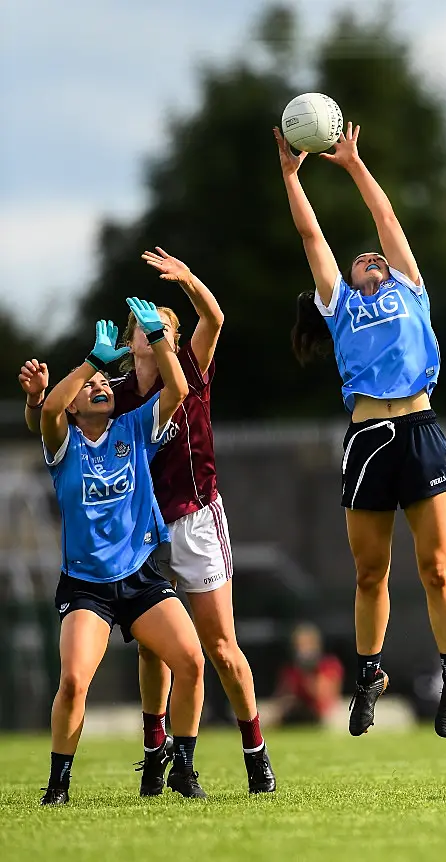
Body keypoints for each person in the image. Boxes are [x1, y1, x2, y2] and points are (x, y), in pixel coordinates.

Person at [20, 248, 275, 796]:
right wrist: (43, 396)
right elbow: (50, 420)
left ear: (170, 338)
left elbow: (213, 322)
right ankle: (156, 754)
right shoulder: (117, 401)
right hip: (144, 532)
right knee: (154, 648)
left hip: (197, 518)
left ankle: (255, 755)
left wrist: (186, 278)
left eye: (157, 327)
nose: (145, 329)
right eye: (140, 323)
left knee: (219, 651)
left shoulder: (184, 372)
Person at [274, 122, 446, 739]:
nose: (369, 256)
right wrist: (289, 176)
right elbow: (311, 235)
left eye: (374, 255)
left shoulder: (411, 289)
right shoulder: (341, 307)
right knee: (370, 573)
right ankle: (368, 676)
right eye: (360, 259)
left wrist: (354, 166)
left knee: (436, 567)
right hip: (367, 441)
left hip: (418, 430)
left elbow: (384, 215)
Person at [37, 300, 206, 805]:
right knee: (72, 681)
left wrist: (157, 337)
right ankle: (58, 786)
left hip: (138, 578)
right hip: (87, 586)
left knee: (192, 661)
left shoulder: (133, 428)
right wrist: (93, 361)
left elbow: (178, 389)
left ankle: (184, 768)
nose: (101, 387)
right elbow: (48, 408)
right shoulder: (63, 444)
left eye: (105, 382)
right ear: (74, 406)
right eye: (90, 388)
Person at [272, 623, 344, 726]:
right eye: (299, 645)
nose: (302, 649)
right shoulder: (290, 670)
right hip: (297, 715)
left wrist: (308, 673)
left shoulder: (329, 665)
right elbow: (280, 698)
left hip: (323, 716)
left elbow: (325, 697)